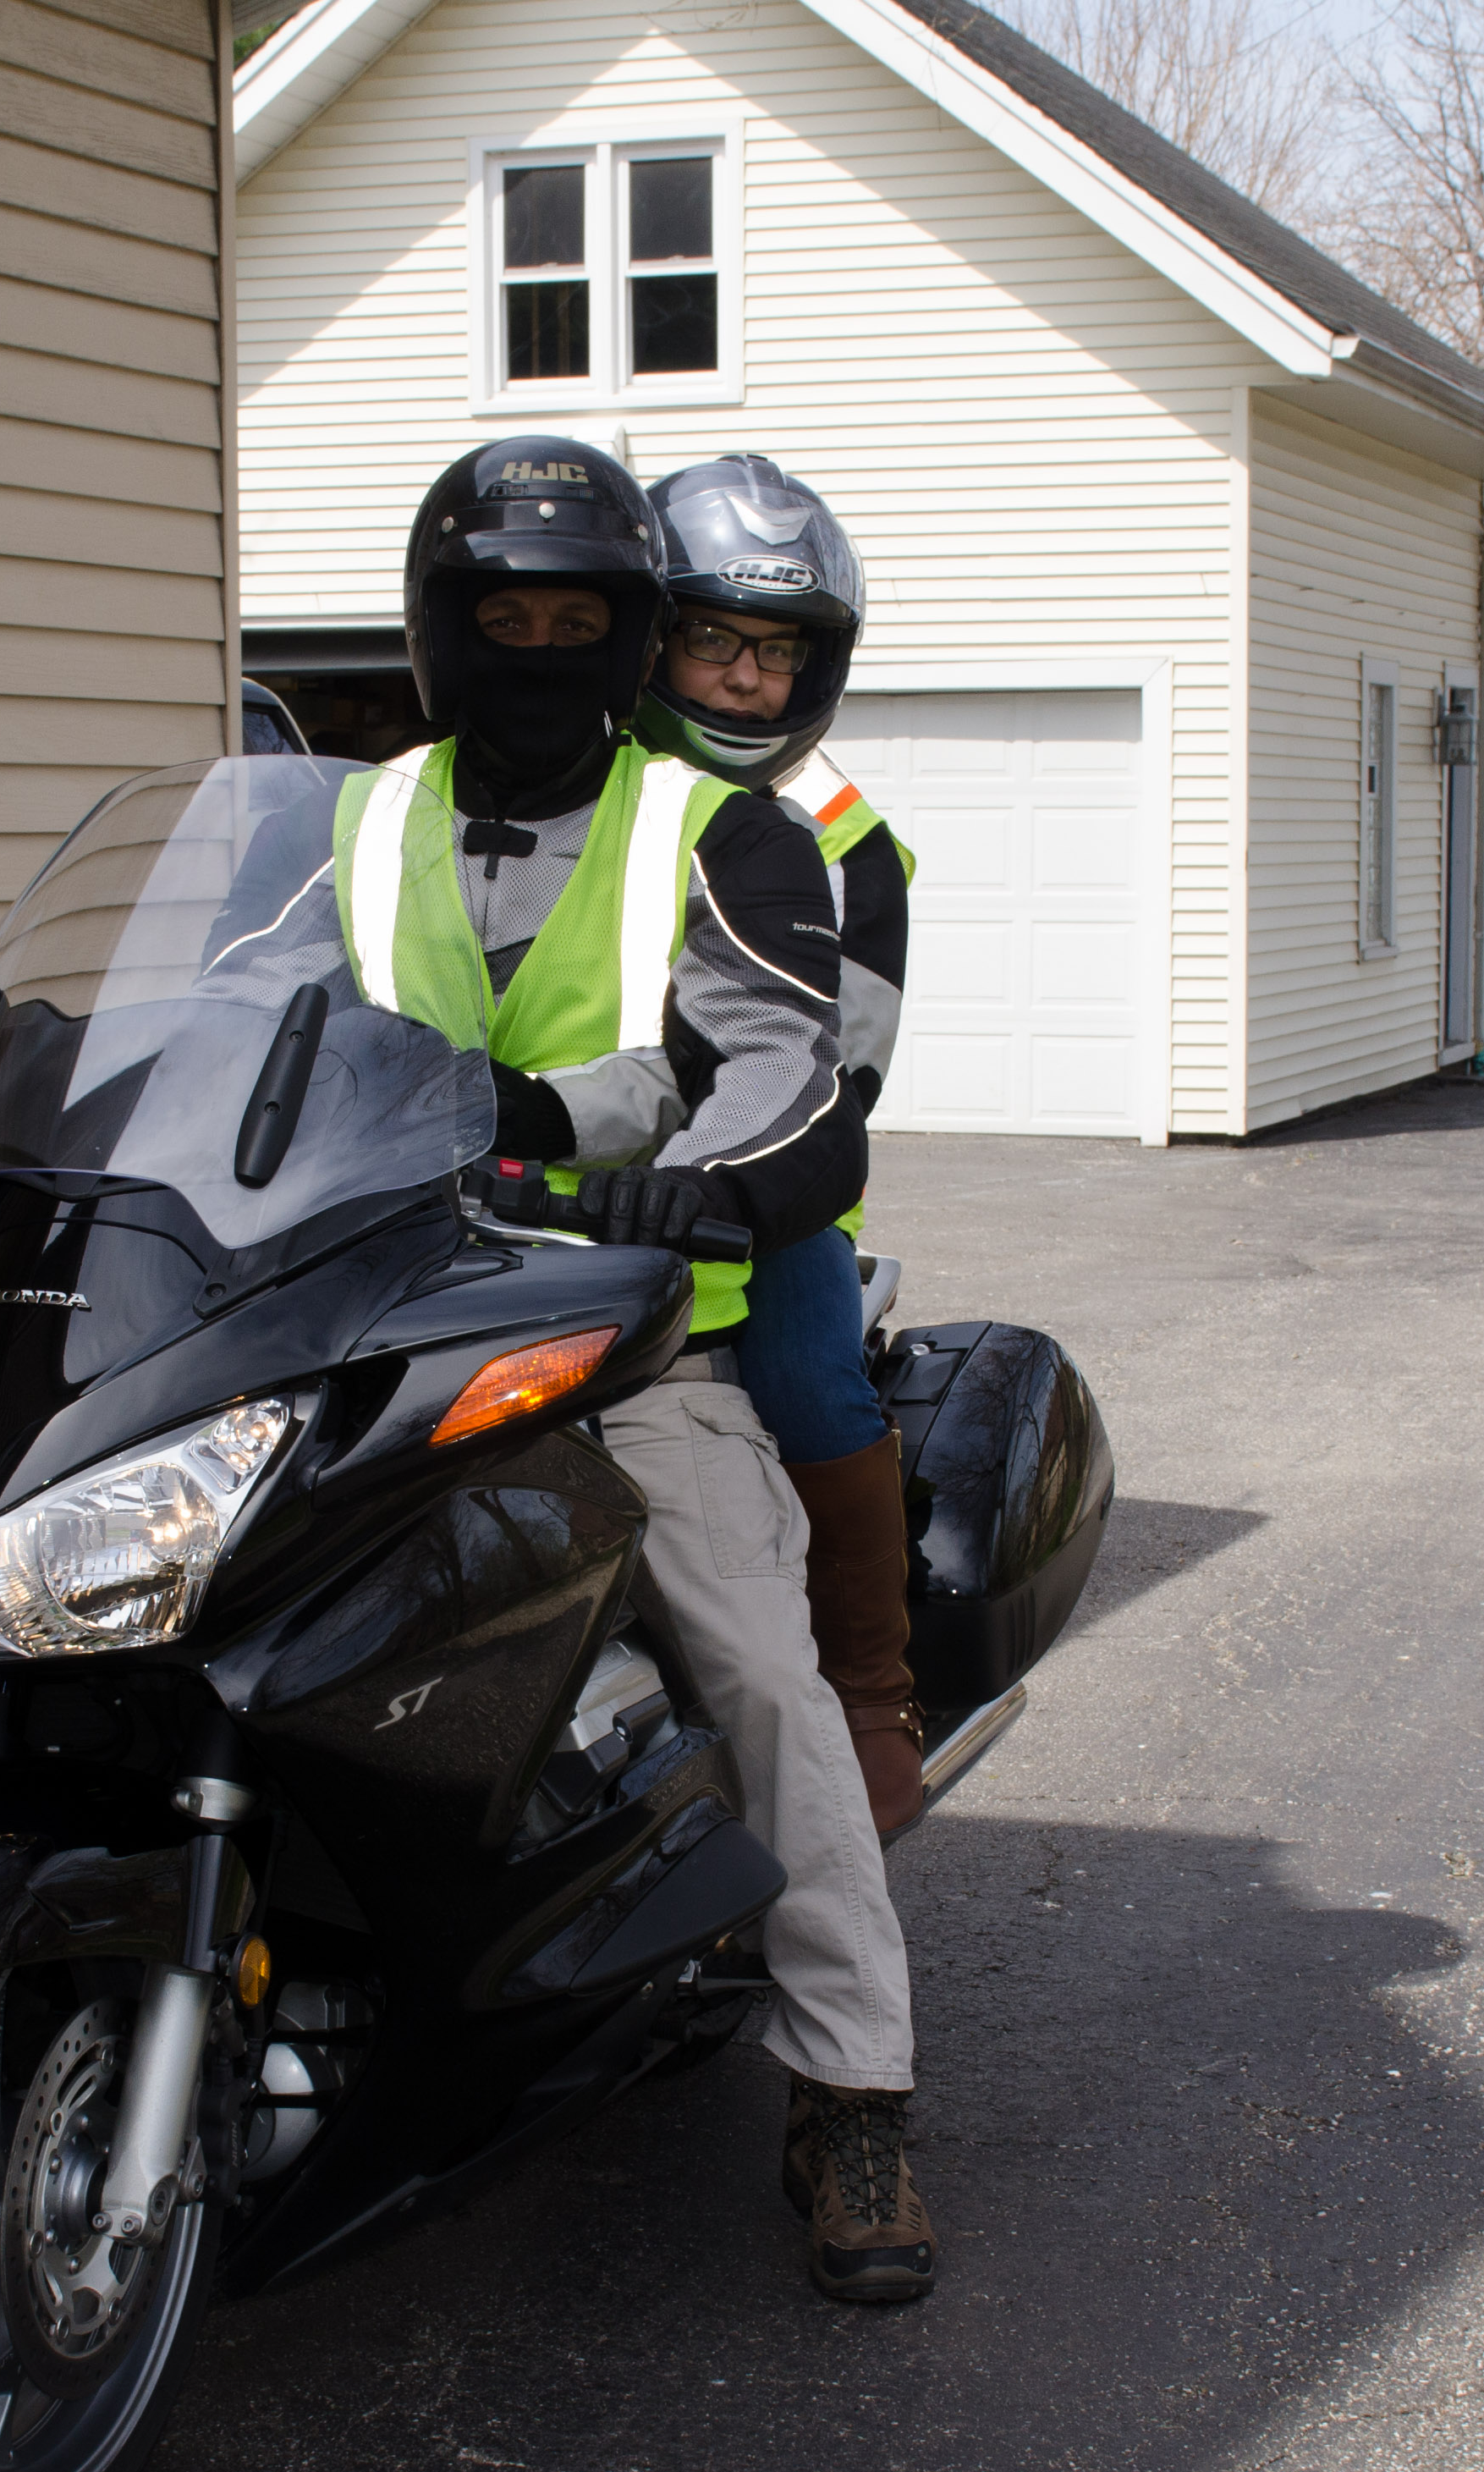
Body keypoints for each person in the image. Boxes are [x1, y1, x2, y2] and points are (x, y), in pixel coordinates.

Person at [330, 435, 935, 2305]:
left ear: (626, 635)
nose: (532, 647)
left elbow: (783, 1061)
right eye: (497, 615)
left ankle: (853, 2091)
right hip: (363, 1313)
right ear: (439, 632)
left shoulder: (723, 832)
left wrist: (720, 1178)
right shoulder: (345, 816)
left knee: (758, 1666)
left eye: (573, 618)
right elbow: (211, 1010)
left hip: (623, 1328)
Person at [629, 456, 923, 1838]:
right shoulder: (586, 788)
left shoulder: (850, 842)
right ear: (655, 629)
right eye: (716, 639)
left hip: (758, 1187)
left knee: (806, 1368)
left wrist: (718, 1172)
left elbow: (837, 1082)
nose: (748, 681)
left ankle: (872, 1687)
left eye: (780, 651)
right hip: (558, 1173)